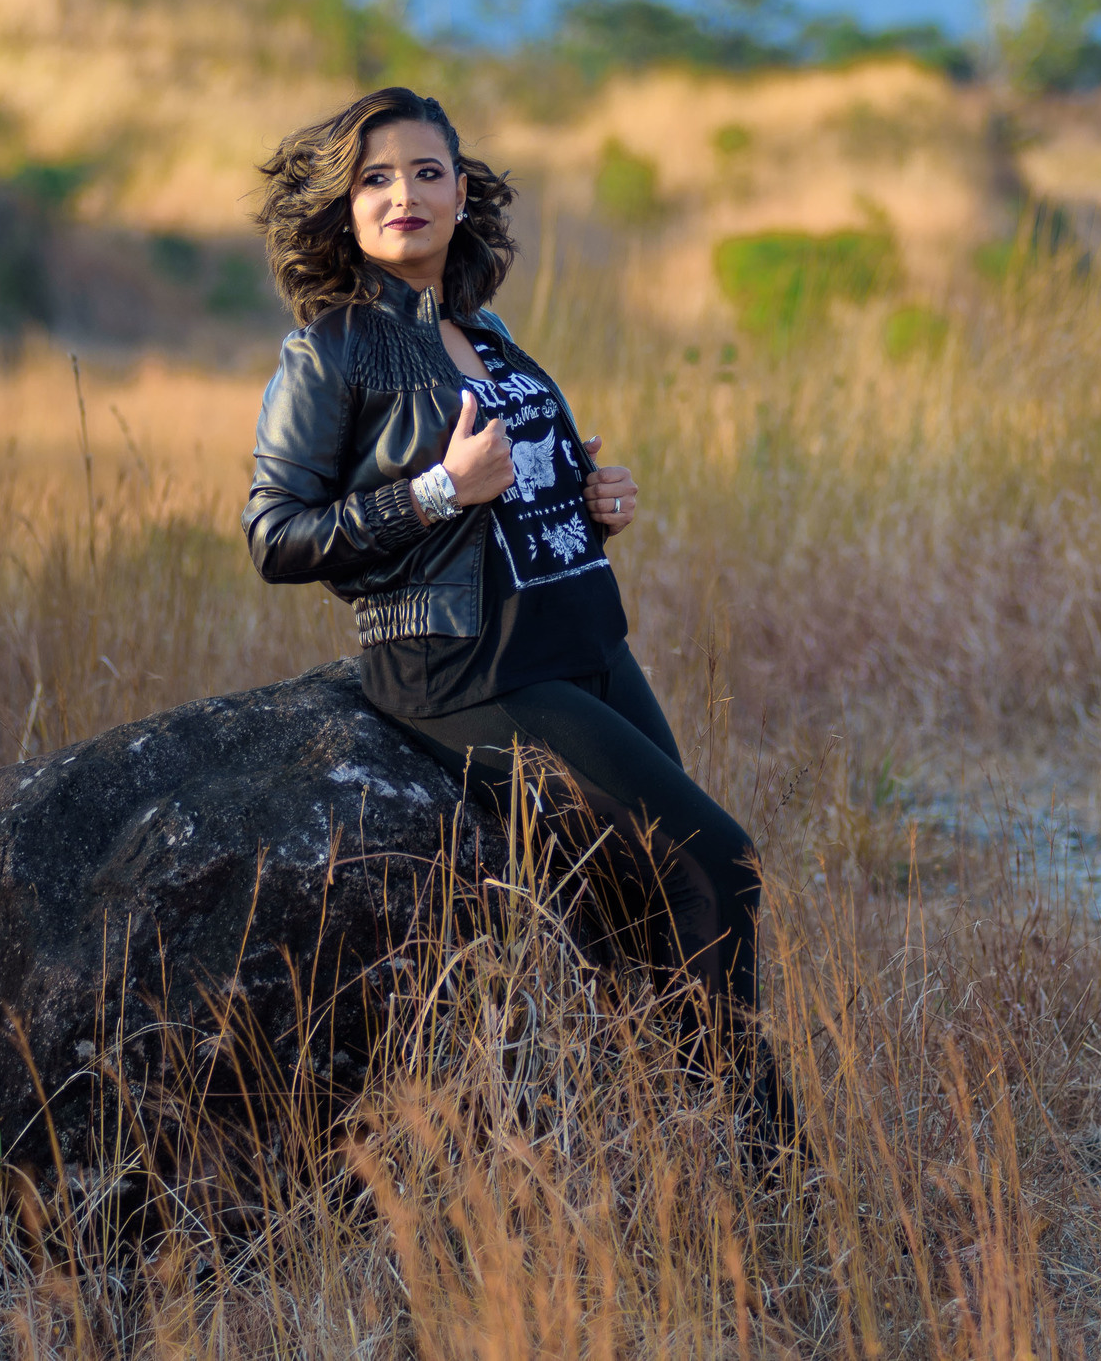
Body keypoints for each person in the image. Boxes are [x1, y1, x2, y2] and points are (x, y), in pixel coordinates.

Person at [241, 86, 779, 1116]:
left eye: (428, 171)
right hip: (467, 664)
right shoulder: (333, 350)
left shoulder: (481, 326)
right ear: (342, 207)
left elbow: (515, 478)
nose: (406, 192)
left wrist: (588, 497)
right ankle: (764, 1155)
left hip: (580, 636)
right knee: (720, 862)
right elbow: (276, 533)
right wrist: (440, 489)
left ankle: (666, 1133)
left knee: (643, 897)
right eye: (376, 176)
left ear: (460, 193)